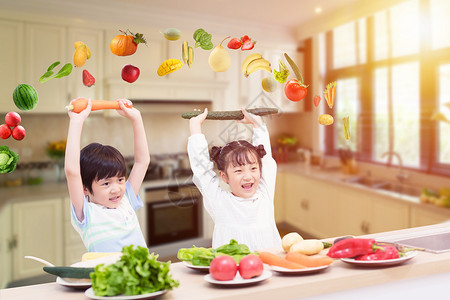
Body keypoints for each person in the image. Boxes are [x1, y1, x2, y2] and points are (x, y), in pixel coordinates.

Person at [187, 108, 282, 251]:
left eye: (253, 168)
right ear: (224, 177)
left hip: (268, 267)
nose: (248, 176)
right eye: (238, 170)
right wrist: (195, 129)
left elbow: (266, 161)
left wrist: (258, 125)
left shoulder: (265, 194)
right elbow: (203, 173)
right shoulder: (219, 201)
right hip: (231, 270)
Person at [65, 98, 150, 252]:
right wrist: (76, 122)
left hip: (142, 275)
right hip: (109, 276)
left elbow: (142, 162)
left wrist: (136, 119)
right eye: (106, 183)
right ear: (85, 189)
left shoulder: (126, 201)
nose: (116, 189)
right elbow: (72, 172)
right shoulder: (86, 214)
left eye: (120, 180)